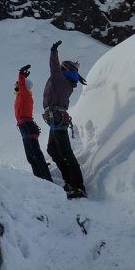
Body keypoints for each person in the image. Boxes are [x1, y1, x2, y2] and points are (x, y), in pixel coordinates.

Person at [42, 40, 87, 198]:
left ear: (65, 70)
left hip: (57, 119)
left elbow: (54, 67)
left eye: (62, 68)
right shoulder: (65, 81)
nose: (59, 69)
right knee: (53, 150)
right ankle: (70, 180)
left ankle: (78, 186)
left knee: (66, 152)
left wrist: (54, 51)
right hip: (56, 119)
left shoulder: (60, 79)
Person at [14, 64, 52, 181]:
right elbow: (20, 87)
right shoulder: (24, 96)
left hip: (27, 127)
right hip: (27, 127)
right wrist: (22, 80)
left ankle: (43, 179)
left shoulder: (24, 95)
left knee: (33, 156)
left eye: (17, 86)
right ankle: (43, 178)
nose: (15, 87)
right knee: (34, 155)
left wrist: (21, 75)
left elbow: (21, 85)